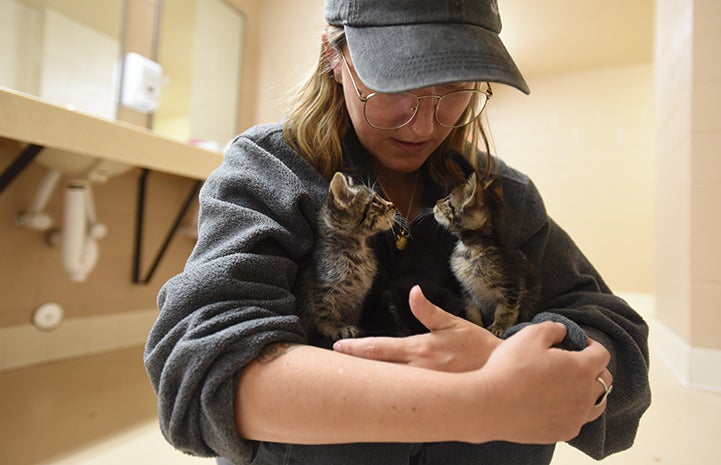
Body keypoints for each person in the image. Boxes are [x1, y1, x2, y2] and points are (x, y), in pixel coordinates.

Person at [144, 1, 651, 464]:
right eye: (394, 87)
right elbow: (201, 365)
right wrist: (478, 402)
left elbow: (615, 336)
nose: (423, 126)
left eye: (455, 89)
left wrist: (524, 362)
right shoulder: (269, 171)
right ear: (333, 56)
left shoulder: (504, 194)